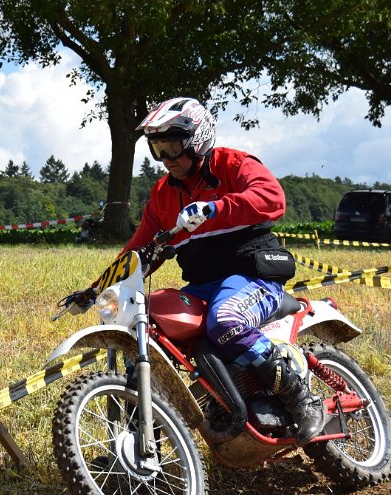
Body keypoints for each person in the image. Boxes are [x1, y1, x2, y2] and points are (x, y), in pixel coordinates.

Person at [118, 97, 325, 444]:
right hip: (203, 286)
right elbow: (138, 251)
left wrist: (215, 208)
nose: (167, 159)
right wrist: (97, 288)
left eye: (173, 147)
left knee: (226, 320)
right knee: (148, 328)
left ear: (197, 139)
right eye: (158, 150)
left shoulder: (233, 164)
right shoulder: (162, 194)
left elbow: (273, 198)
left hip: (254, 276)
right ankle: (142, 442)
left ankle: (300, 398)